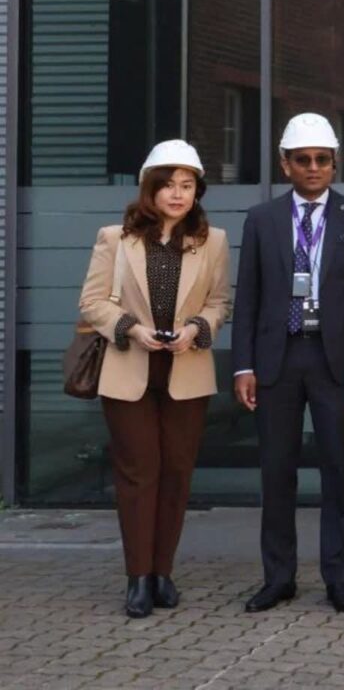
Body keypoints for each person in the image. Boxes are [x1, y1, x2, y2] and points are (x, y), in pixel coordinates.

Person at [232, 113, 344, 613]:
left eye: (322, 159)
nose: (314, 167)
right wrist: (243, 365)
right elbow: (248, 297)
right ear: (286, 164)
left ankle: (339, 578)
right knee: (277, 473)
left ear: (335, 163)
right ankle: (278, 578)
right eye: (303, 160)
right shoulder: (262, 220)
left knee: (339, 471)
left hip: (334, 361)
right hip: (276, 360)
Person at [78, 140, 230, 618]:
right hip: (129, 367)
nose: (178, 194)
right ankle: (138, 577)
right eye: (168, 185)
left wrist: (197, 329)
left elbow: (219, 302)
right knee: (138, 472)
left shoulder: (213, 241)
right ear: (150, 189)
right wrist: (131, 328)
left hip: (186, 368)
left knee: (177, 472)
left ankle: (163, 573)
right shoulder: (115, 238)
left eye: (187, 185)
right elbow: (91, 302)